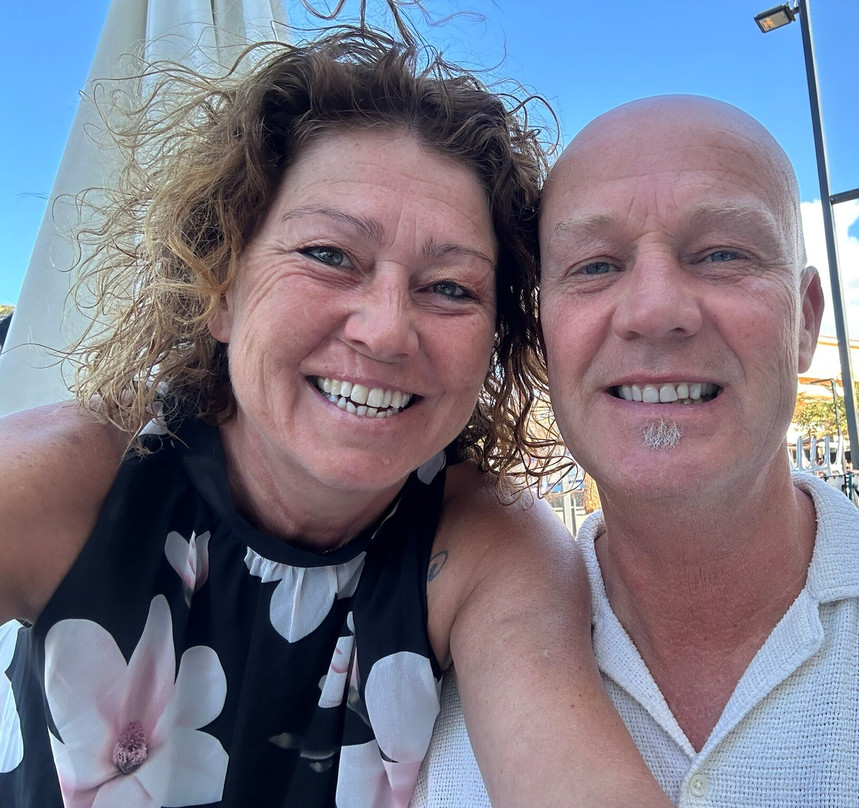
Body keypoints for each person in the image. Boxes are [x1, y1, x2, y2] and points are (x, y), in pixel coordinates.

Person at [0, 28, 674, 808]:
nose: (386, 331)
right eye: (328, 255)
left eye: (451, 287)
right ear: (220, 287)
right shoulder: (75, 484)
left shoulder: (486, 546)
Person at [412, 95, 859, 806]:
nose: (655, 311)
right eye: (595, 265)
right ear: (543, 333)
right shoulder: (405, 702)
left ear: (805, 321)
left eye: (723, 254)